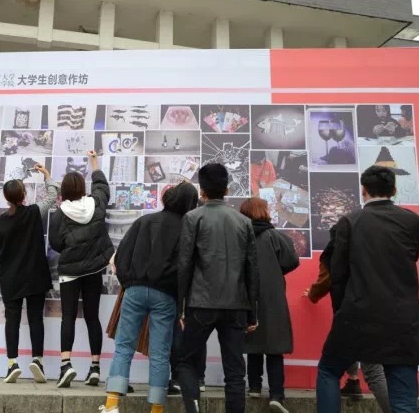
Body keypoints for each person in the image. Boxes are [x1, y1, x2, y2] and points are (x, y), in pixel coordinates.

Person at [316, 166, 419, 413]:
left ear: (363, 190)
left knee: (328, 370)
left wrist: (341, 313)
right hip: (403, 318)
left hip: (357, 315)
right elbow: (411, 257)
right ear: (394, 189)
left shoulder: (349, 222)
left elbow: (338, 275)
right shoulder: (412, 221)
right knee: (404, 399)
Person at [99, 182, 199, 413]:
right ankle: (156, 408)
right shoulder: (186, 229)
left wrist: (128, 281)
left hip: (134, 290)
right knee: (160, 353)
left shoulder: (144, 221)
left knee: (124, 346)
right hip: (165, 295)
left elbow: (122, 255)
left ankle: (112, 403)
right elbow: (186, 267)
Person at [177, 163, 259, 413]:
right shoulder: (244, 222)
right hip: (236, 305)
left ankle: (193, 408)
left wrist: (181, 308)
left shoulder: (193, 218)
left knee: (185, 361)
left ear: (202, 191)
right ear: (227, 189)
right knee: (235, 372)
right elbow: (252, 270)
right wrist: (252, 313)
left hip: (200, 303)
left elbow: (184, 265)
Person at [304, 230, 391, 413]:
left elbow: (324, 283)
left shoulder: (332, 255)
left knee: (330, 369)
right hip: (376, 315)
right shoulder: (371, 251)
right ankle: (353, 380)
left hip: (348, 317)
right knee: (371, 368)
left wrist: (312, 294)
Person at [49, 150, 114, 388]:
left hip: (70, 272)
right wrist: (94, 163)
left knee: (68, 317)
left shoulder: (60, 214)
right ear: (82, 187)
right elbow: (102, 187)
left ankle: (66, 366)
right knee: (92, 317)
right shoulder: (95, 204)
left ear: (64, 191)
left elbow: (55, 243)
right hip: (94, 270)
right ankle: (95, 368)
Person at [0, 164, 59, 384]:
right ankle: (37, 360)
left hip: (10, 277)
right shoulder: (34, 213)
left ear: (6, 198)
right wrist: (47, 175)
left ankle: (12, 364)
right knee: (35, 318)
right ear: (24, 195)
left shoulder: (0, 222)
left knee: (11, 320)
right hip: (34, 275)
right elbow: (52, 195)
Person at [239, 197, 299, 413]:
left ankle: (254, 387)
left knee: (252, 342)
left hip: (248, 296)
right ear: (264, 212)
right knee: (275, 346)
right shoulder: (275, 237)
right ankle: (276, 394)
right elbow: (292, 261)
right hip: (273, 296)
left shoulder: (241, 237)